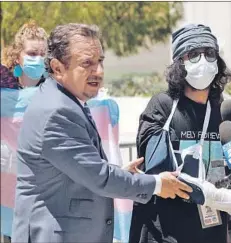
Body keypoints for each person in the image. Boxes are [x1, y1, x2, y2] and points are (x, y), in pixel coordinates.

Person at [11, 23, 192, 243]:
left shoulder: (65, 99)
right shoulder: (57, 111)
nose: (98, 71)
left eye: (100, 62)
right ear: (58, 68)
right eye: (87, 63)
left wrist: (120, 173)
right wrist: (158, 185)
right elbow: (99, 178)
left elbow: (78, 170)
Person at [129, 24, 231, 243]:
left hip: (212, 232)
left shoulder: (222, 111)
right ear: (180, 62)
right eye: (193, 54)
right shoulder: (163, 106)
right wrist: (203, 192)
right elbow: (155, 171)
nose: (203, 60)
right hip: (165, 232)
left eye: (209, 53)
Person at [1, 21, 48, 89]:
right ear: (17, 56)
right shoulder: (6, 87)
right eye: (32, 53)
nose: (38, 59)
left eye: (43, 54)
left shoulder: (53, 88)